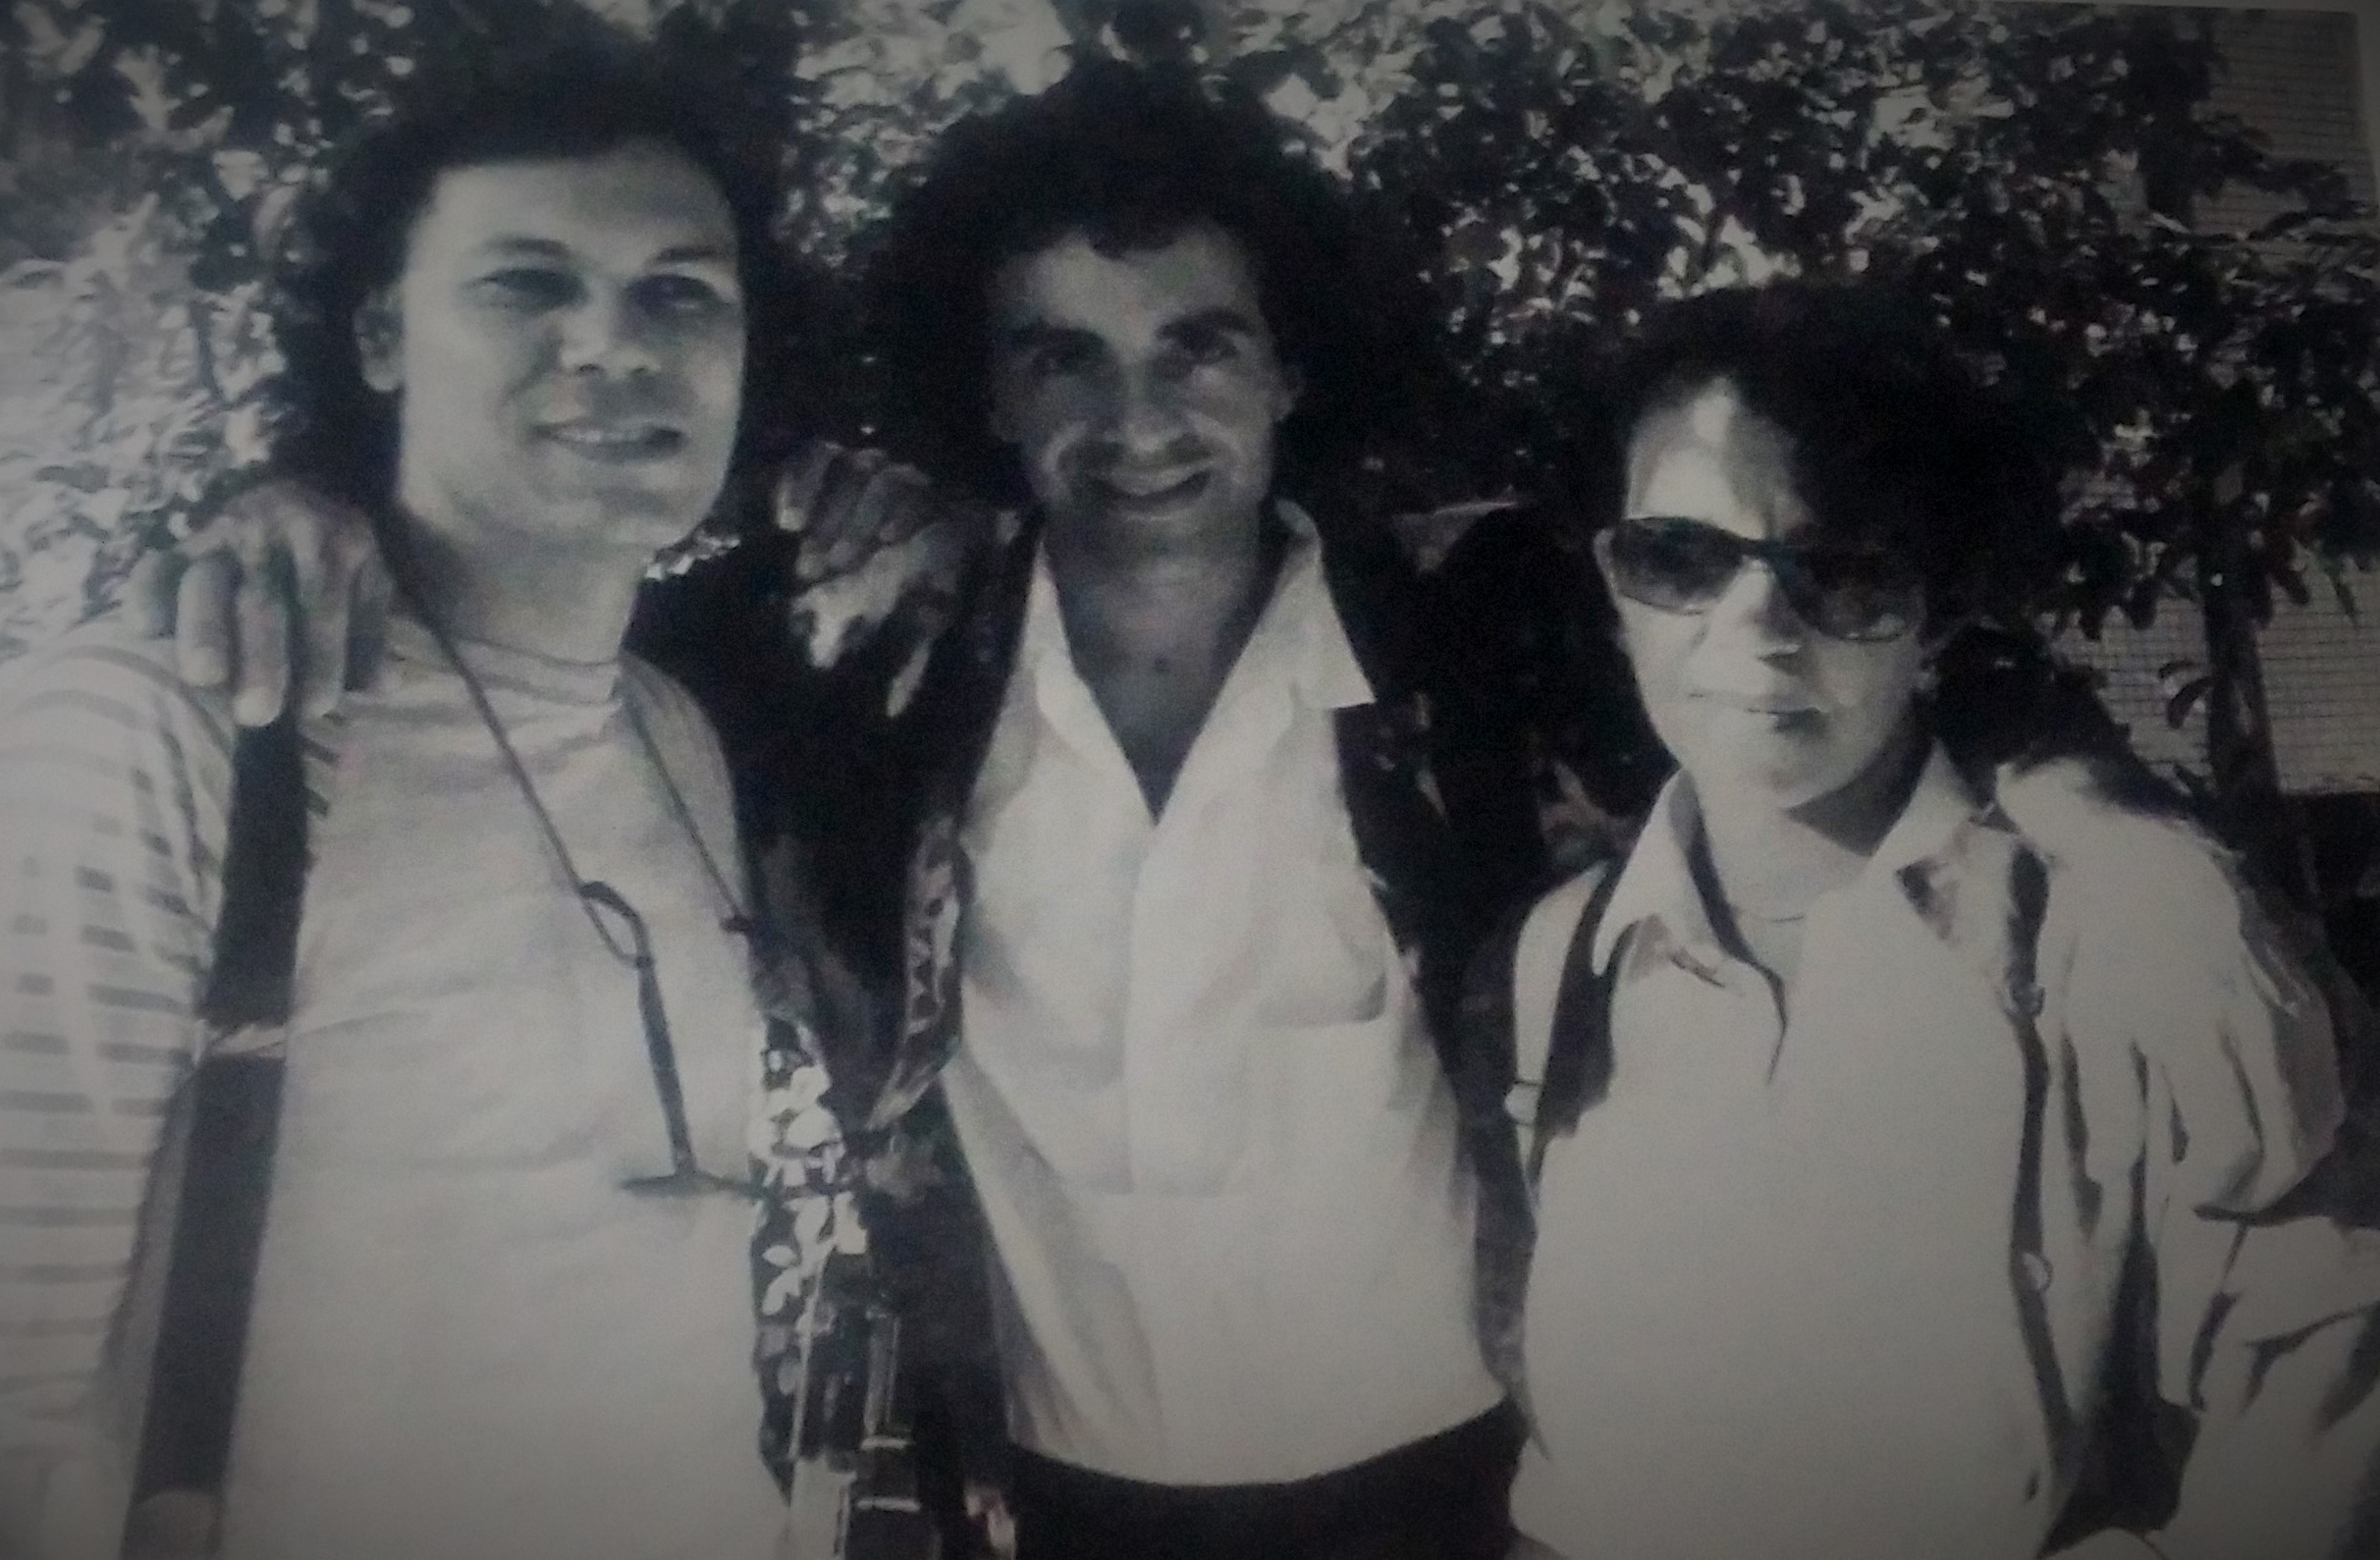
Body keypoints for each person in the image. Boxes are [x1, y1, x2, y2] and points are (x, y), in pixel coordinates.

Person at [137, 58, 1540, 1560]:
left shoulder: (1462, 661)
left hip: (1445, 1477)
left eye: (1196, 347)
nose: (1136, 417)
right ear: (988, 393)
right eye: (1060, 357)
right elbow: (530, 620)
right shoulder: (862, 674)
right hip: (1038, 1498)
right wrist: (313, 496)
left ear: (1289, 369)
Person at [0, 40, 899, 1560]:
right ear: (380, 335)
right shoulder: (171, 727)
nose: (614, 344)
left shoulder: (677, 735)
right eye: (525, 283)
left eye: (680, 292)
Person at [1490, 280, 2380, 1560]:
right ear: (1611, 582)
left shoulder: (2133, 943)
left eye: (1843, 574)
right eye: (1677, 557)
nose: (1755, 628)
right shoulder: (1562, 961)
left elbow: (2312, 1447)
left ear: (1942, 613)